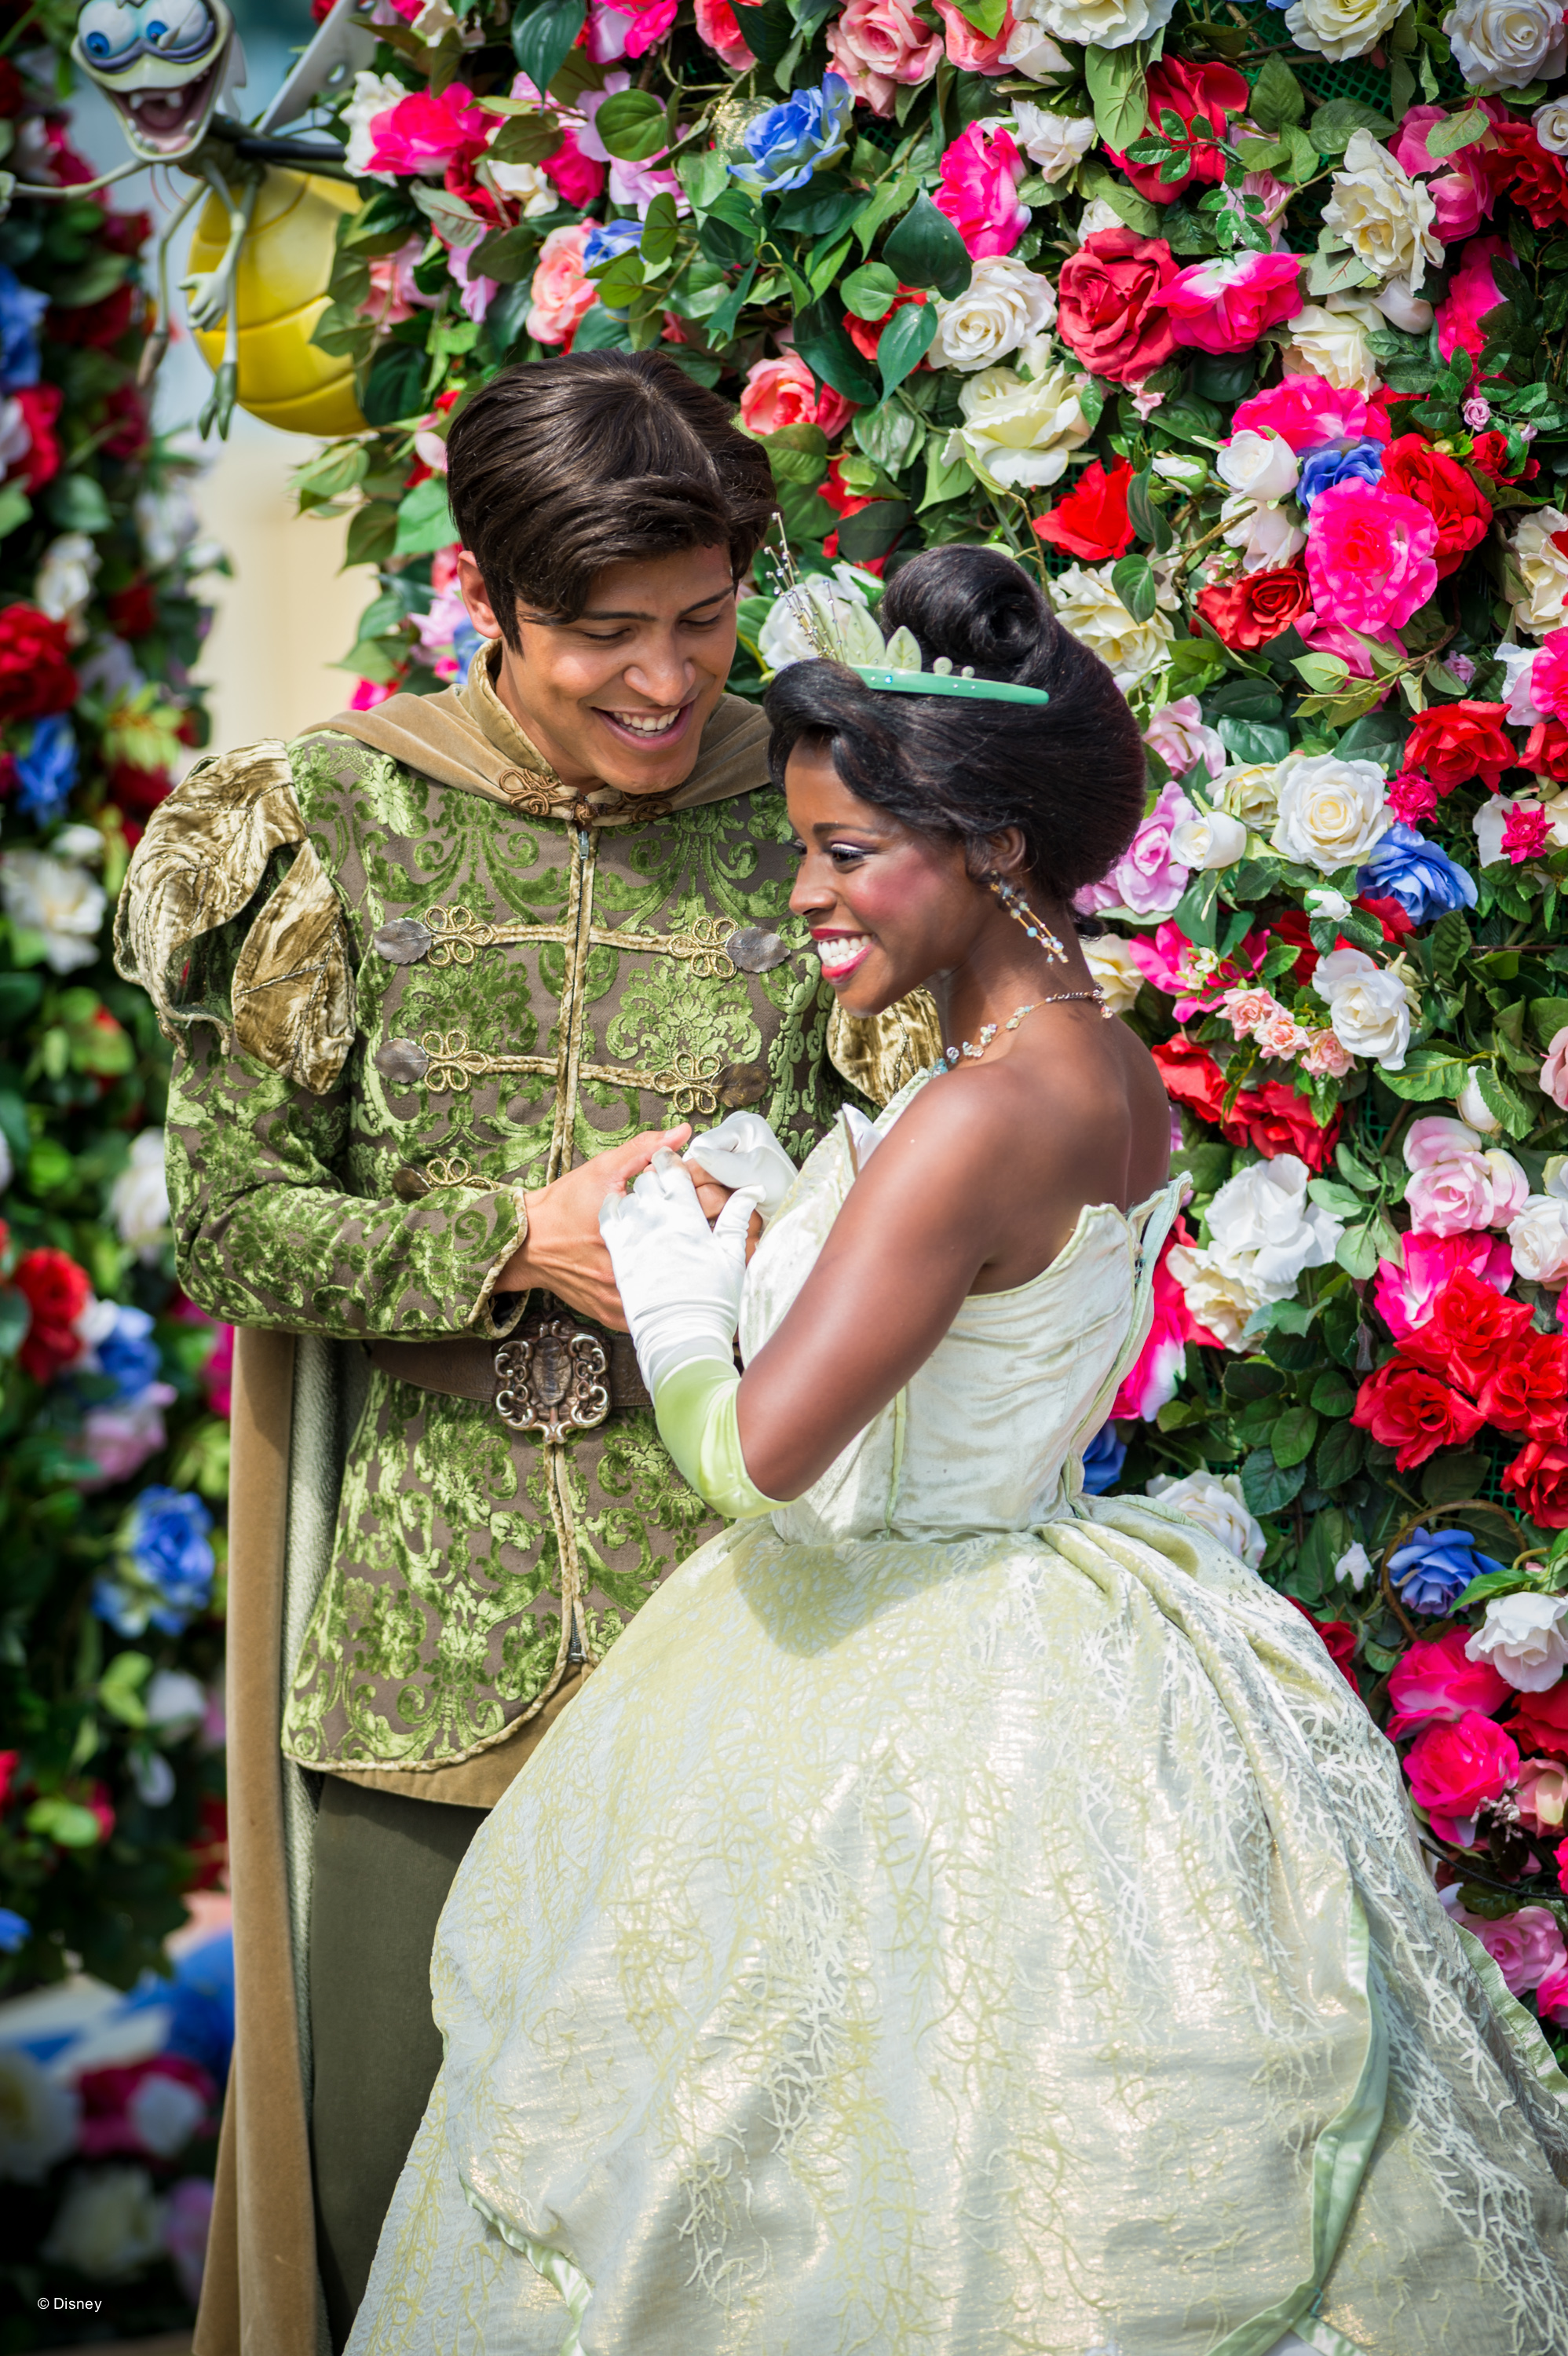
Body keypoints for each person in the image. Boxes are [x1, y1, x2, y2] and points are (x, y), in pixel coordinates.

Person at [349, 544, 1568, 2356]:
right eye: (803, 846)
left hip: (904, 1676)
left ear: (994, 845)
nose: (808, 892)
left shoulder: (979, 1109)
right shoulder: (1098, 1059)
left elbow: (759, 1462)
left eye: (848, 853)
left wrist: (675, 1284)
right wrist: (782, 1220)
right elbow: (967, 1320)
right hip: (1046, 1624)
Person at [114, 351, 907, 2356]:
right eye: (601, 635)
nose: (664, 681)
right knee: (406, 2190)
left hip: (740, 1622)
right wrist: (513, 1245)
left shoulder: (817, 822)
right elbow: (222, 1223)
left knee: (718, 2210)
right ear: (486, 593)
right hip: (416, 1628)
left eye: (704, 625)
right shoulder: (324, 821)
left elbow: (923, 1177)